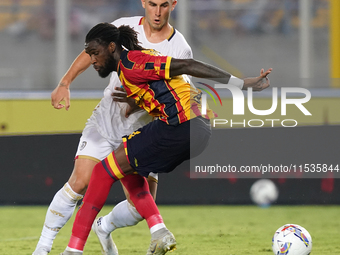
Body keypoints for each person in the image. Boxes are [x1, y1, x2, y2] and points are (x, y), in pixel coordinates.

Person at [59, 22, 272, 255]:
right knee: (127, 169)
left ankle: (73, 250)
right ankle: (157, 231)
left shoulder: (134, 62)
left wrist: (242, 83)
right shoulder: (130, 69)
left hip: (180, 125)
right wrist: (138, 101)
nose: (92, 60)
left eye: (94, 53)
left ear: (111, 47)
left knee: (101, 172)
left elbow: (187, 65)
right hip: (197, 130)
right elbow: (166, 90)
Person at [32, 1, 193, 255]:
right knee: (79, 182)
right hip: (106, 121)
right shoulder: (122, 27)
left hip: (142, 132)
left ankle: (103, 226)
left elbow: (176, 98)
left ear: (173, 4)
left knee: (139, 208)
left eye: (164, 5)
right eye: (152, 4)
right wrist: (65, 82)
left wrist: (138, 100)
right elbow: (90, 52)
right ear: (144, 2)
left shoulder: (180, 48)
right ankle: (42, 249)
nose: (158, 12)